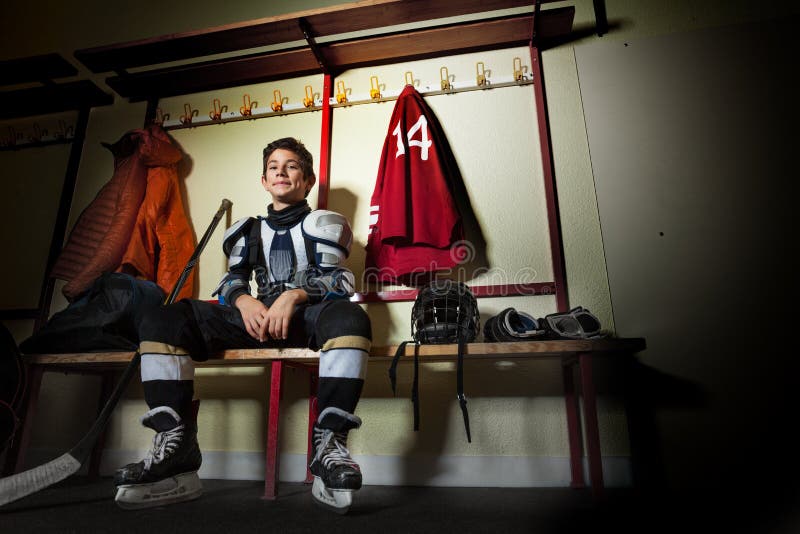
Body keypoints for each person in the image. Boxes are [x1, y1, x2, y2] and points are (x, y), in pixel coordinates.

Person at [113, 137, 371, 514]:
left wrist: (294, 295)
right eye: (273, 167)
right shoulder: (246, 230)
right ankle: (176, 446)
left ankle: (329, 446)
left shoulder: (323, 224)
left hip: (305, 318)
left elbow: (341, 282)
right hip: (254, 318)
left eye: (292, 165)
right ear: (264, 181)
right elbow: (232, 280)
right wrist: (243, 300)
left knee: (351, 318)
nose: (281, 171)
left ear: (308, 180)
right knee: (161, 317)